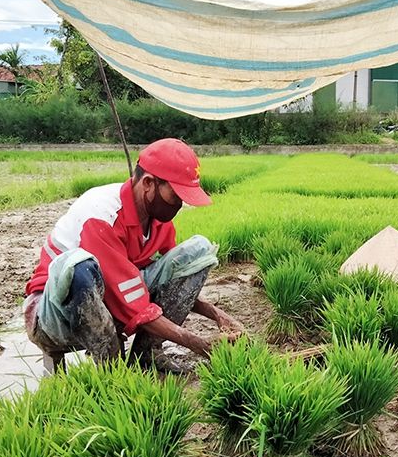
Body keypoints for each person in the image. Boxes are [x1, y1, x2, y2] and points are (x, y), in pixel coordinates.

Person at [23, 138, 243, 373]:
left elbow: (174, 287)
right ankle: (111, 371)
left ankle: (146, 355)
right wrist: (200, 345)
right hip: (55, 315)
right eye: (176, 196)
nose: (179, 204)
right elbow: (133, 305)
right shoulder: (101, 216)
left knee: (196, 253)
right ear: (149, 183)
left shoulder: (158, 219)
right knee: (80, 268)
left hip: (112, 300)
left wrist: (217, 315)